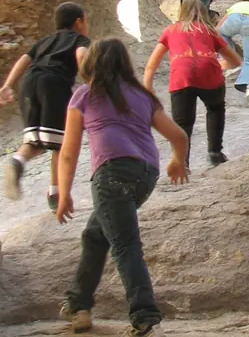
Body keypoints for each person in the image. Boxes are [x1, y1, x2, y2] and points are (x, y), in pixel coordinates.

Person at [56, 38, 190, 337]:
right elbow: (179, 136)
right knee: (96, 234)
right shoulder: (142, 96)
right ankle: (79, 304)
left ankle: (144, 315)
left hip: (111, 173)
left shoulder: (84, 96)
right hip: (145, 175)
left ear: (91, 64)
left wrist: (63, 193)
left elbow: (68, 151)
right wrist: (176, 162)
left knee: (125, 244)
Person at [0, 1, 90, 211]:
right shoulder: (80, 39)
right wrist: (90, 81)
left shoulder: (44, 41)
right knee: (60, 141)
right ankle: (55, 193)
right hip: (54, 84)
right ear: (79, 22)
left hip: (29, 82)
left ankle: (18, 161)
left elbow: (23, 60)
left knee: (36, 139)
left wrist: (8, 85)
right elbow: (81, 55)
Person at [143, 0, 241, 168]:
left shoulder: (170, 30)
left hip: (181, 75)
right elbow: (235, 61)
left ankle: (182, 162)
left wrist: (148, 88)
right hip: (210, 73)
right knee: (215, 109)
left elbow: (151, 64)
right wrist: (217, 65)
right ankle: (215, 152)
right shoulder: (210, 32)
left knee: (183, 122)